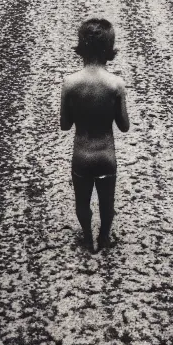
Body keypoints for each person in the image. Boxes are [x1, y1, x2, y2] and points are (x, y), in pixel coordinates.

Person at [60, 19, 130, 253]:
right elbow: (124, 126)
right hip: (106, 156)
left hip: (81, 155)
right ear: (110, 48)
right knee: (106, 203)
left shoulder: (70, 83)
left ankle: (88, 239)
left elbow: (65, 124)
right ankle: (105, 238)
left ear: (81, 46)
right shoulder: (116, 84)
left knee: (82, 202)